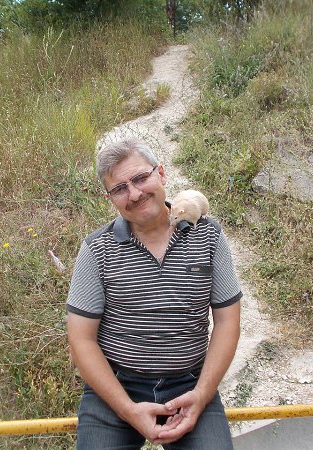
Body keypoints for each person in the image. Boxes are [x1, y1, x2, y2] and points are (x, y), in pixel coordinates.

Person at [66, 138, 242, 449]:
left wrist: (202, 394)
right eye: (119, 189)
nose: (134, 194)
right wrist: (127, 409)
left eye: (140, 178)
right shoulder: (96, 250)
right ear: (110, 198)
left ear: (161, 173)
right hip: (116, 386)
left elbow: (228, 321)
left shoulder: (208, 235)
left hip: (190, 383)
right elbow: (81, 339)